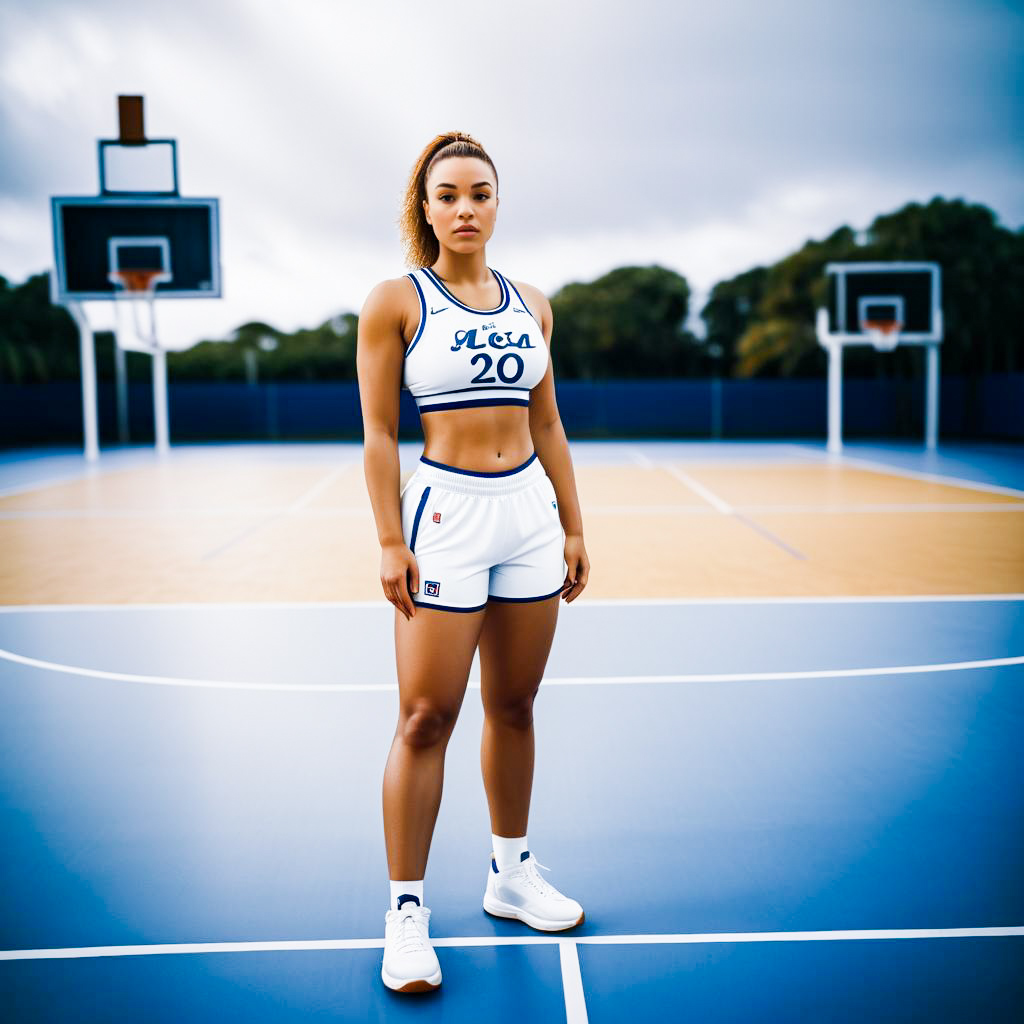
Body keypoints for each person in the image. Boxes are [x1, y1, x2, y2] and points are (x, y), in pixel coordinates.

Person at [356, 130, 590, 994]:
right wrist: (390, 537)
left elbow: (551, 423)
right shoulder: (395, 302)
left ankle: (510, 873)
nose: (465, 208)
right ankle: (407, 913)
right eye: (448, 194)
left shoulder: (534, 301)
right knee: (425, 719)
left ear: (498, 203)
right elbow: (380, 433)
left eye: (480, 193)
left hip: (529, 515)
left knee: (517, 705)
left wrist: (571, 524)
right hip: (445, 517)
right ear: (425, 206)